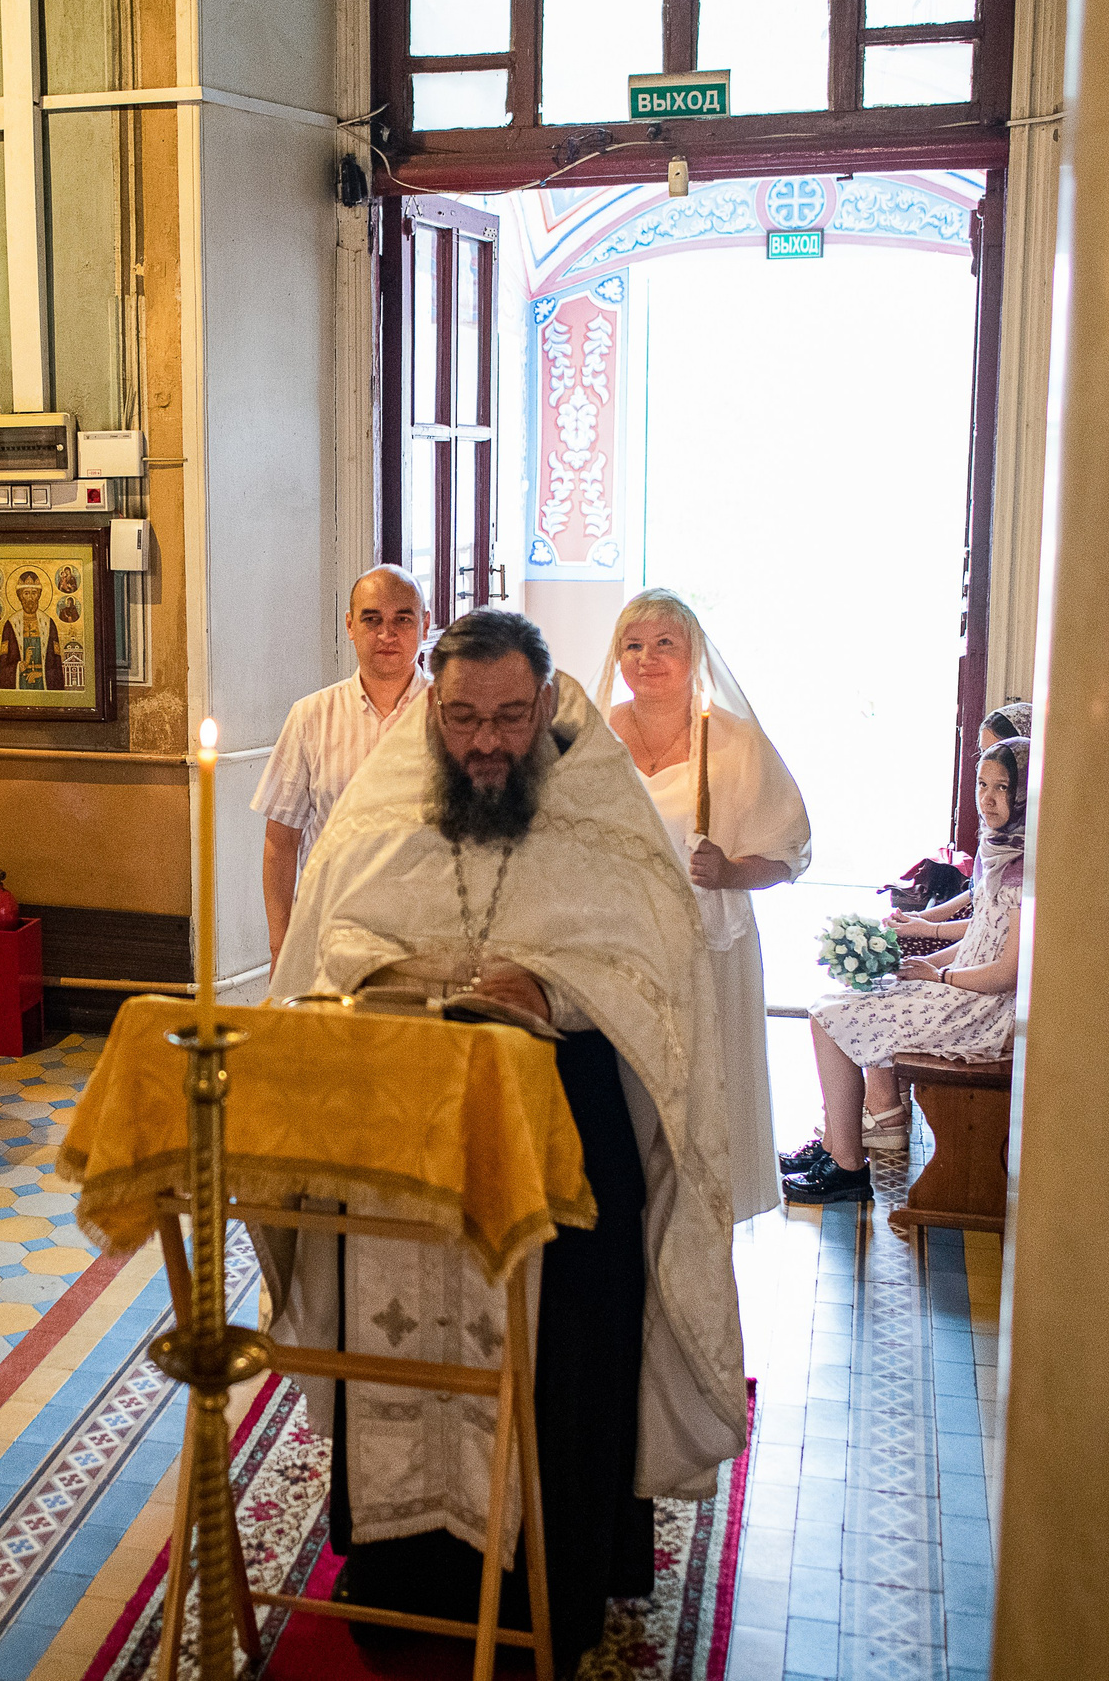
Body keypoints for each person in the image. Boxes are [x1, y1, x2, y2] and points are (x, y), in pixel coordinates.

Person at [267, 609, 746, 1670]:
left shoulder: (602, 824)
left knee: (558, 1375)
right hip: (400, 1144)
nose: (487, 743)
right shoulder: (377, 817)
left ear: (546, 709)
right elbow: (323, 952)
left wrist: (557, 986)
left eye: (511, 719)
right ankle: (403, 1571)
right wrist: (385, 979)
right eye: (467, 719)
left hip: (557, 1158)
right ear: (434, 713)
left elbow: (653, 980)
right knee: (396, 1354)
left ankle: (550, 1588)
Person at [596, 589, 810, 1222]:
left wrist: (730, 870)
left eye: (665, 644)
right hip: (619, 944)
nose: (647, 658)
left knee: (701, 1093)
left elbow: (791, 850)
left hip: (707, 945)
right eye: (633, 645)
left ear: (694, 655)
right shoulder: (592, 739)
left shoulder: (734, 743)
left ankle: (701, 1222)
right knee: (630, 1096)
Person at [785, 737, 1031, 1204]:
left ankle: (848, 1167)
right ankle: (838, 1147)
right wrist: (915, 967)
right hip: (965, 990)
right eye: (982, 784)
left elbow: (1006, 973)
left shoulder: (1025, 869)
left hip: (983, 1010)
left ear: (1025, 796)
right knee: (839, 1003)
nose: (989, 798)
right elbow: (978, 941)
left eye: (1004, 787)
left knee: (827, 1018)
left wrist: (938, 978)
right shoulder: (999, 850)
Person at [251, 563, 429, 957]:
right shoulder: (311, 716)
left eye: (403, 619)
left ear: (425, 625)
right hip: (330, 932)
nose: (387, 634)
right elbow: (280, 843)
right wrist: (280, 945)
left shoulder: (452, 716)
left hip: (425, 936)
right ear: (350, 625)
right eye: (372, 620)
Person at [880, 699, 1040, 941]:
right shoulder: (997, 827)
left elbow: (995, 926)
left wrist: (927, 931)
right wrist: (924, 918)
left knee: (905, 945)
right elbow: (980, 889)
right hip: (976, 932)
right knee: (896, 938)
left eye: (1002, 749)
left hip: (986, 942)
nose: (991, 760)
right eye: (985, 752)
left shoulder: (1030, 836)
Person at [0, 569, 64, 691]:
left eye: (34, 593)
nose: (30, 598)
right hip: (19, 684)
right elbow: (3, 666)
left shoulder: (48, 623)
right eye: (26, 593)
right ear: (20, 596)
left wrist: (42, 674)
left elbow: (56, 663)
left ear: (39, 595)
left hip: (43, 684)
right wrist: (21, 666)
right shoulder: (10, 625)